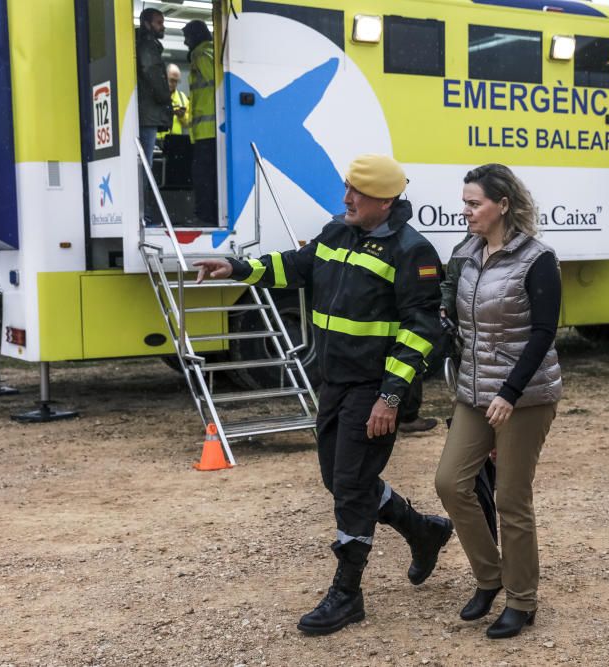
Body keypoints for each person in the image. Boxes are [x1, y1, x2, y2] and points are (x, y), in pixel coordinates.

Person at [193, 154, 453, 636]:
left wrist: (391, 397)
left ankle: (347, 593)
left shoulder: (412, 251)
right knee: (339, 480)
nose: (346, 198)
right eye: (347, 188)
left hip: (373, 390)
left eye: (357, 192)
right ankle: (423, 530)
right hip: (333, 383)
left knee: (351, 486)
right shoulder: (337, 232)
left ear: (385, 201)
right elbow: (295, 266)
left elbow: (421, 332)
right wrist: (235, 267)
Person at [434, 164, 561, 640]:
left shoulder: (536, 258)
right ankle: (490, 577)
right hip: (474, 390)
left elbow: (544, 333)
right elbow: (457, 312)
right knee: (450, 483)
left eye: (474, 203)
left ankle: (522, 601)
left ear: (503, 205)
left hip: (524, 396)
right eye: (464, 203)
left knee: (510, 497)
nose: (466, 212)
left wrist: (510, 392)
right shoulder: (466, 254)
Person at [182, 20, 218, 226]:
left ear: (195, 36)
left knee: (203, 177)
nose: (185, 42)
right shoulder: (212, 52)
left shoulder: (200, 55)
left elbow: (216, 83)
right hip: (212, 130)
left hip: (206, 131)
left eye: (187, 37)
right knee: (211, 177)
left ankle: (204, 216)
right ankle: (210, 215)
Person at [135, 8, 172, 162]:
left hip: (146, 112)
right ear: (147, 24)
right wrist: (165, 97)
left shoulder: (145, 44)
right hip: (148, 114)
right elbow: (152, 72)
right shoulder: (147, 45)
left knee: (143, 161)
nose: (163, 26)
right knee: (145, 162)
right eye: (159, 23)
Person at [157, 64, 191, 141]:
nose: (174, 84)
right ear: (164, 77)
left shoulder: (182, 97)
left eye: (177, 81)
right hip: (157, 139)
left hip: (176, 141)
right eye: (172, 80)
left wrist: (182, 116)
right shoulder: (155, 94)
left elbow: (188, 122)